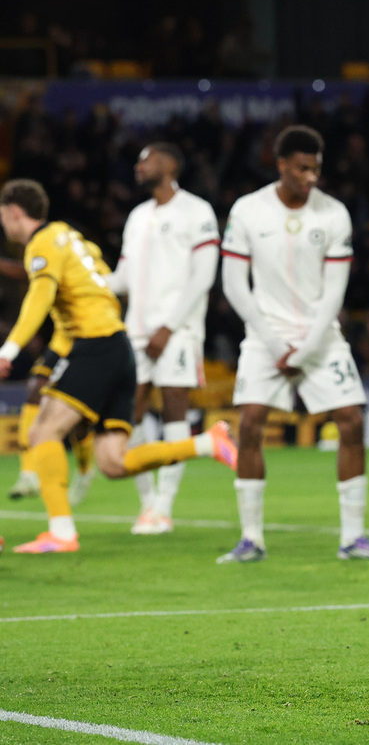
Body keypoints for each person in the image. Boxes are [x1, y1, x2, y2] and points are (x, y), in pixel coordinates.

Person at [0, 179, 237, 554]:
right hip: (120, 347)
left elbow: (39, 296)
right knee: (113, 461)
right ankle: (209, 443)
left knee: (42, 432)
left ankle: (61, 533)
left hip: (94, 346)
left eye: (3, 217)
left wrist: (8, 350)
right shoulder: (75, 239)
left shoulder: (41, 243)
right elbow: (99, 285)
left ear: (14, 212)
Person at [219, 125, 369, 563]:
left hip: (320, 336)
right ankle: (250, 539)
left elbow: (335, 291)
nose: (311, 177)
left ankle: (353, 537)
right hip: (264, 336)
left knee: (351, 421)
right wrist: (274, 341)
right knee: (250, 424)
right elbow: (234, 285)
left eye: (316, 168)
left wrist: (306, 346)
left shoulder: (333, 213)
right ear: (280, 165)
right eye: (302, 168)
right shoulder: (248, 210)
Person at [104, 143, 220, 535]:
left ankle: (165, 508)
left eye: (146, 159)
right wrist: (80, 280)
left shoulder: (197, 211)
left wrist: (169, 326)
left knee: (174, 408)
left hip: (178, 330)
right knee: (128, 412)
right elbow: (120, 278)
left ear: (170, 164)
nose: (138, 166)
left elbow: (203, 275)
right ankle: (148, 502)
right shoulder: (137, 216)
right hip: (136, 331)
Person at [1, 257, 98, 505]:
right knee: (34, 389)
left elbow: (28, 272)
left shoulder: (77, 260)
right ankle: (28, 473)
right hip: (60, 340)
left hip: (89, 339)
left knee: (79, 422)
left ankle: (86, 470)